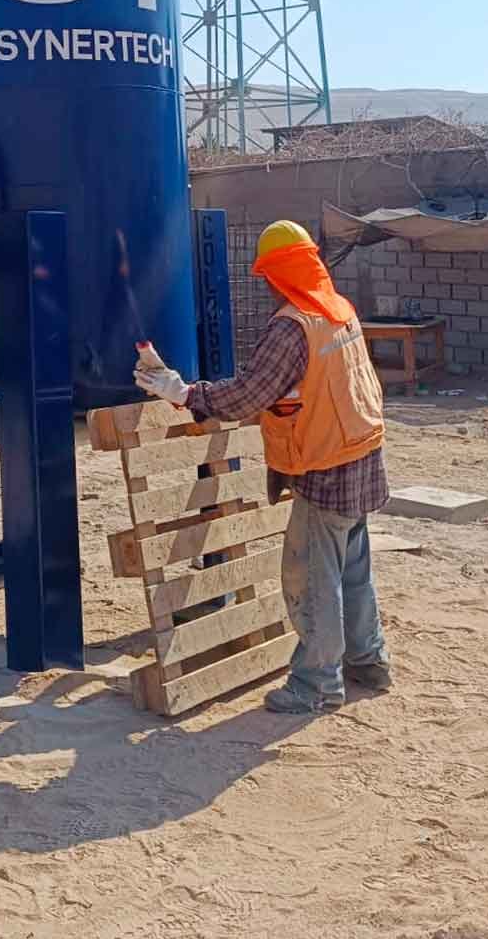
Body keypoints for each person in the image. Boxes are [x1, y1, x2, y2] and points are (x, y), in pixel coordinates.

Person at [133, 219, 391, 714]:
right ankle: (368, 662)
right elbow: (315, 386)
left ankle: (317, 684)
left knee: (311, 577)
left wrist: (185, 393)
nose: (267, 287)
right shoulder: (338, 310)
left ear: (283, 274)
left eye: (269, 277)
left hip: (326, 466)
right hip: (361, 454)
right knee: (352, 569)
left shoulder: (294, 325)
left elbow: (251, 392)